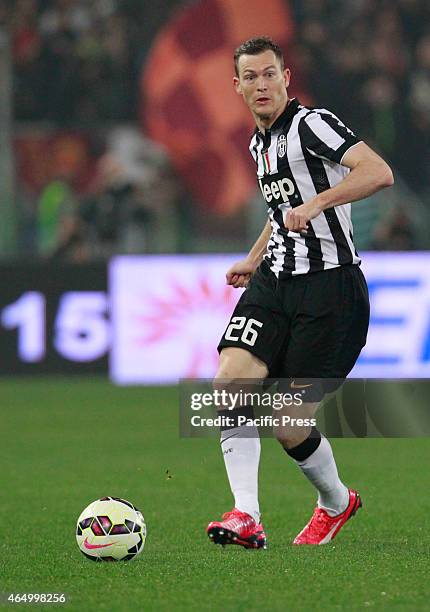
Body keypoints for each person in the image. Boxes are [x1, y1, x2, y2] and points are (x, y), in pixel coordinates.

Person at [206, 37, 394, 549]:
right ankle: (246, 515)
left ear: (286, 77)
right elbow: (280, 209)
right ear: (238, 86)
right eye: (251, 77)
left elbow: (379, 172)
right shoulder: (258, 143)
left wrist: (318, 206)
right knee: (229, 383)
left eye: (270, 74)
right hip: (274, 281)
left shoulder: (313, 124)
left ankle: (336, 503)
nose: (261, 84)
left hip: (331, 291)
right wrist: (253, 256)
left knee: (288, 422)